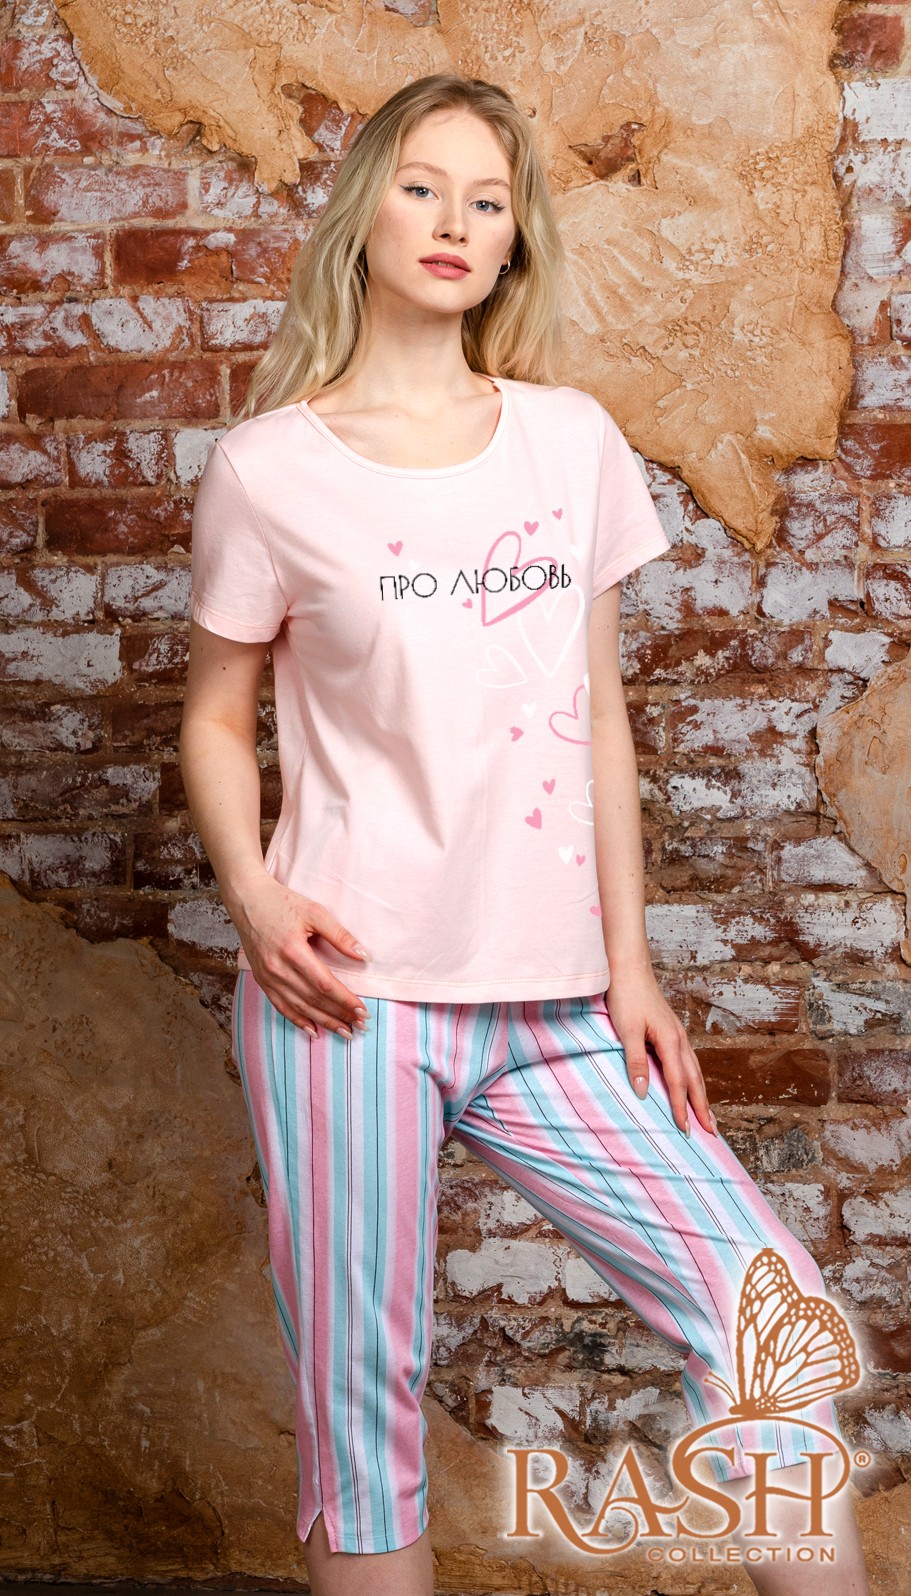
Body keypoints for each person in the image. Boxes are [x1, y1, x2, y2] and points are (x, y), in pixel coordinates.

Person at [178, 72, 871, 1596]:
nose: (454, 221)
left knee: (763, 1309)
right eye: (423, 186)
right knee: (362, 1423)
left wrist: (633, 967)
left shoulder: (570, 445)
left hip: (558, 1005)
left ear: (512, 243)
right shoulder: (268, 471)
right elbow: (215, 720)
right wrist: (256, 899)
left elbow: (598, 710)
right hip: (345, 997)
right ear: (365, 212)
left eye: (486, 201)